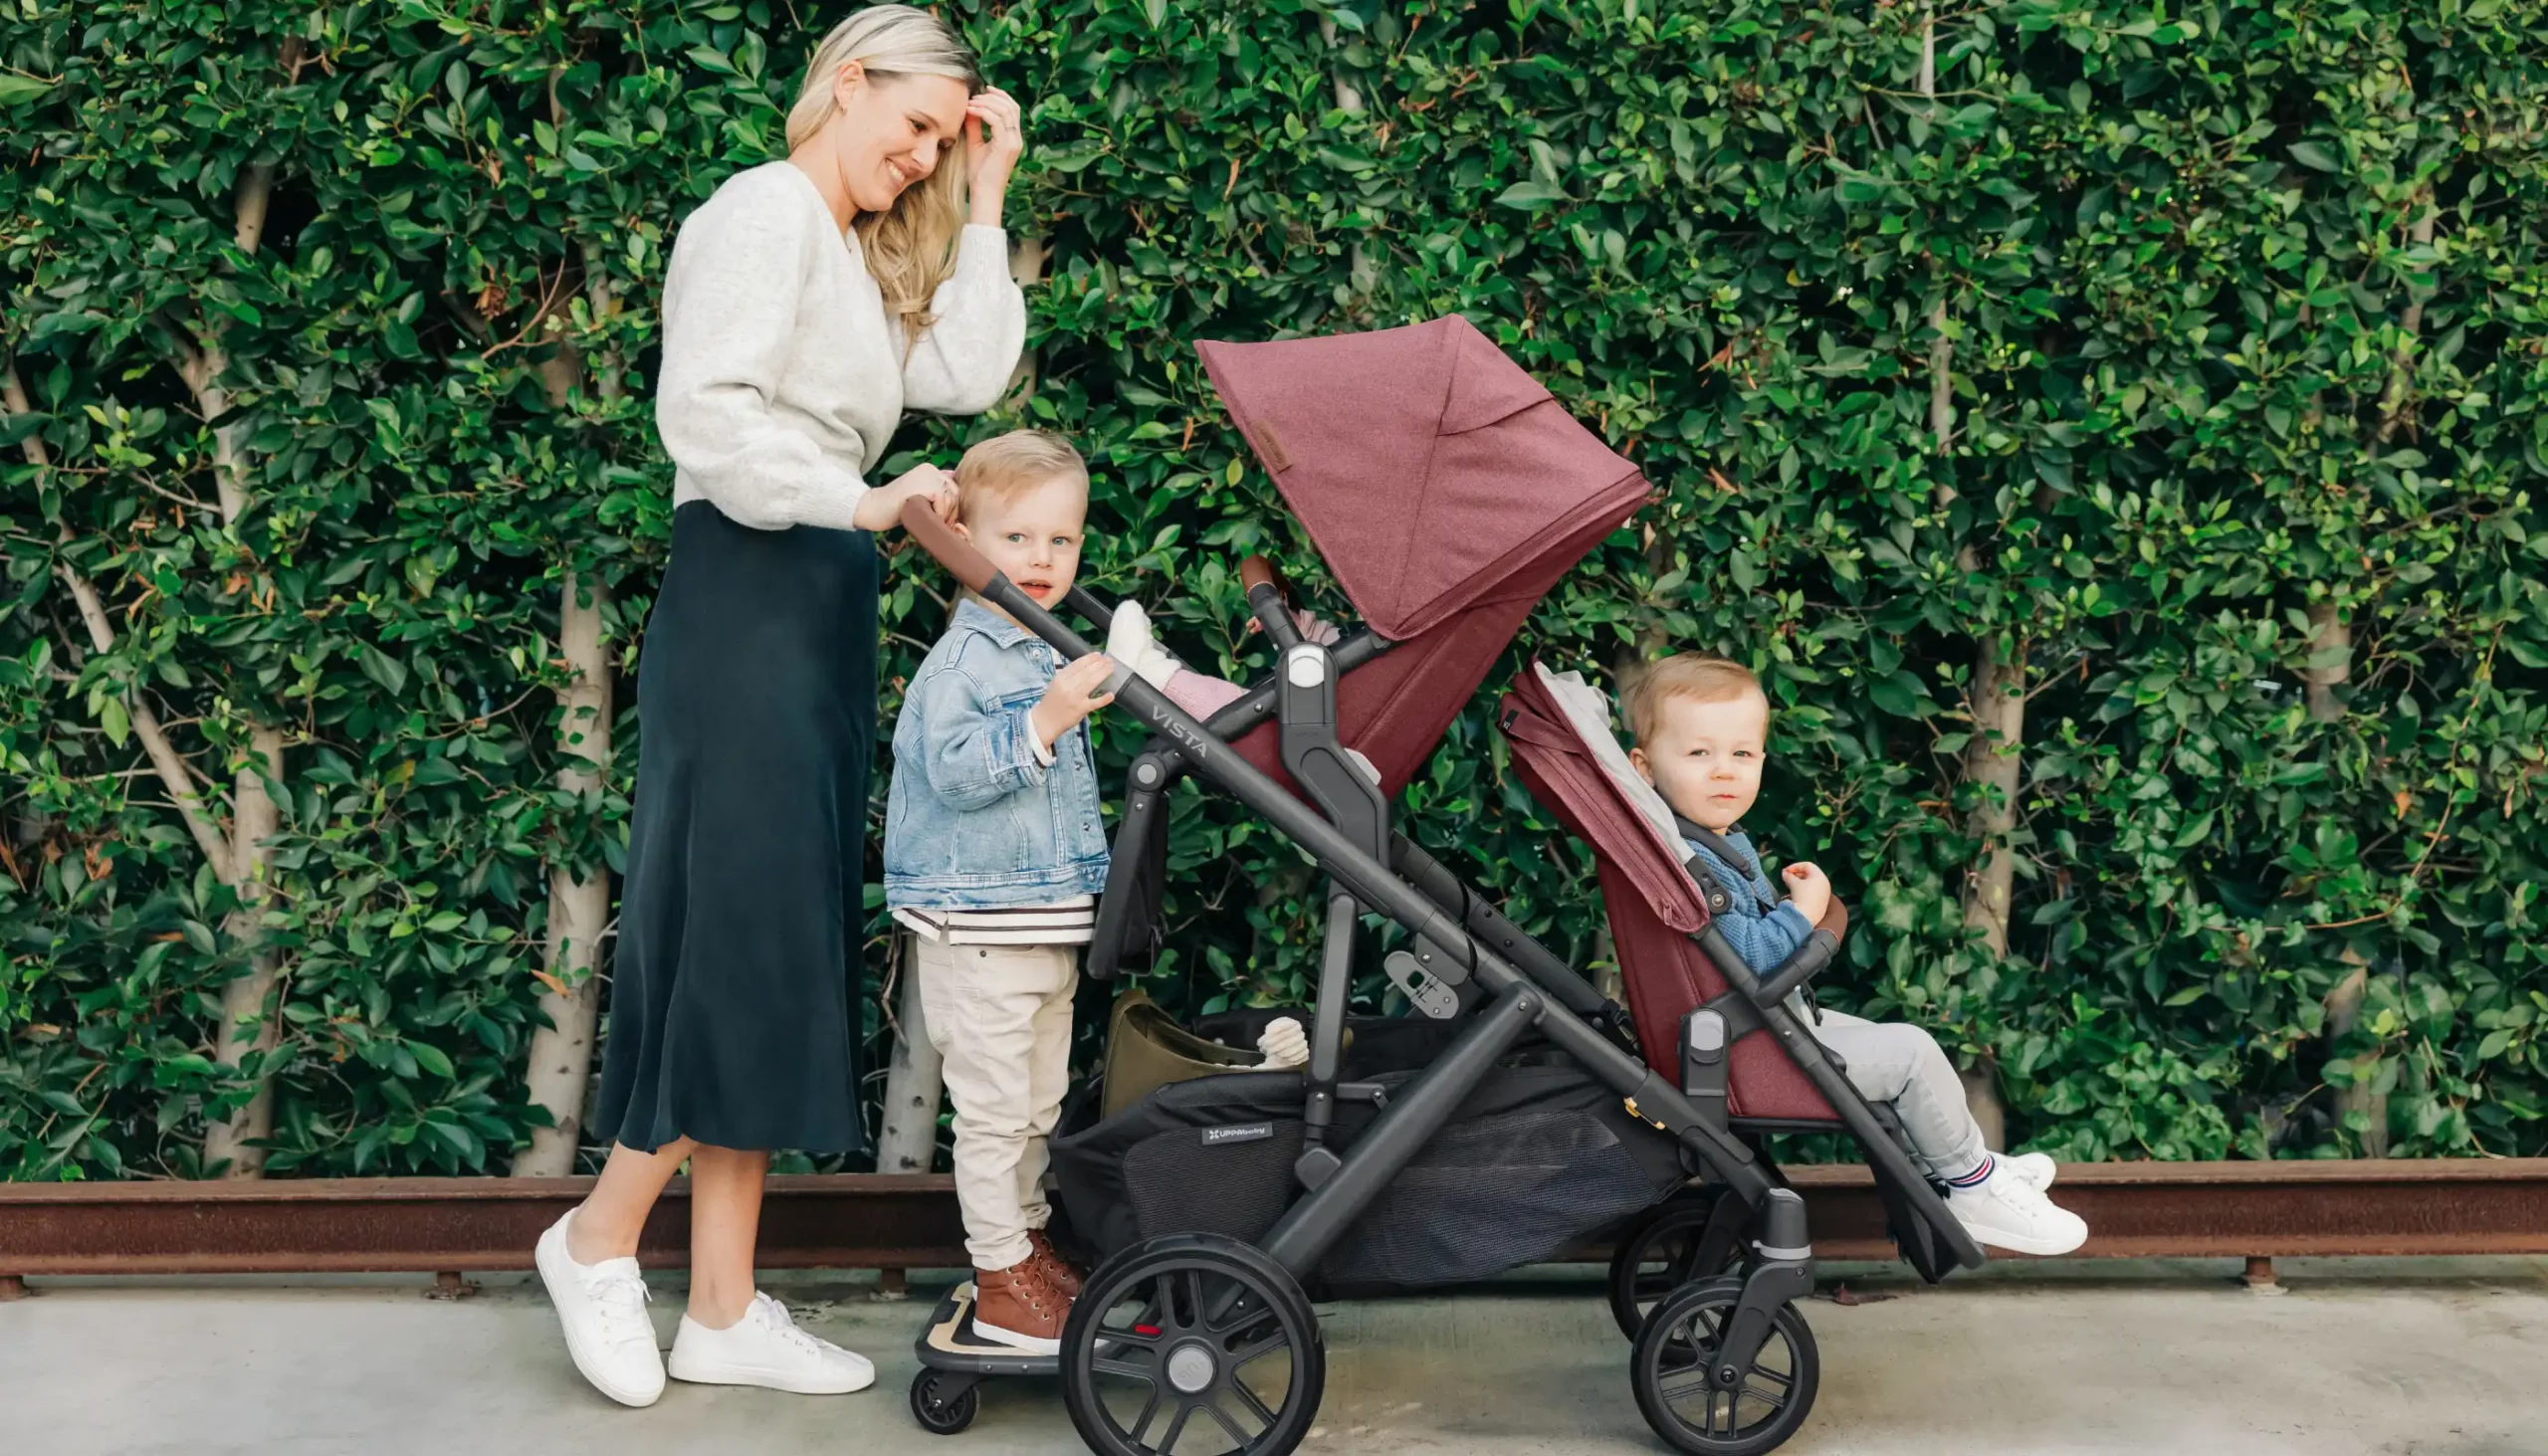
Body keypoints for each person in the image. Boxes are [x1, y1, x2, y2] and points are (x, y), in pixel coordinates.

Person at [532, 6, 1027, 1409]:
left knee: (773, 929)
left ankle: (728, 1305)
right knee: (733, 926)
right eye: (914, 124)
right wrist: (858, 497)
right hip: (751, 580)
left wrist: (986, 197)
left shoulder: (854, 253)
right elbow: (708, 416)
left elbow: (964, 374)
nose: (920, 155)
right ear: (845, 81)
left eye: (943, 141)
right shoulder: (760, 211)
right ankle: (596, 1234)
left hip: (813, 589)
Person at [882, 430, 1311, 1352]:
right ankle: (1000, 1275)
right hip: (981, 929)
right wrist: (1043, 720)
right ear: (966, 541)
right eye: (1018, 540)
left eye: (1062, 541)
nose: (1043, 560)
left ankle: (1028, 1245)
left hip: (1037, 928)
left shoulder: (1041, 644)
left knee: (1036, 1102)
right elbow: (955, 773)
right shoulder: (966, 664)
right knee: (996, 1112)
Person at [1621, 652, 2090, 1257]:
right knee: (1913, 1053)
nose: (1723, 772)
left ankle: (1967, 1165)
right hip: (1746, 1052)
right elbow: (1756, 955)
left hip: (1749, 1029)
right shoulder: (1695, 862)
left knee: (1887, 1044)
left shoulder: (1703, 841)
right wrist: (1804, 910)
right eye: (1698, 754)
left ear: (1762, 759)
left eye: (1741, 754)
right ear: (1644, 767)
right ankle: (1975, 1186)